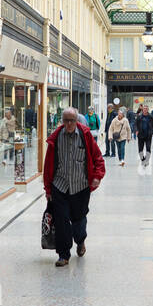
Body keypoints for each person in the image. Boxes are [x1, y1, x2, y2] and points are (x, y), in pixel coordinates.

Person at [43, 108, 106, 267]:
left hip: (80, 186)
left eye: (72, 120)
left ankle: (80, 241)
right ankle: (63, 255)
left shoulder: (85, 135)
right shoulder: (56, 137)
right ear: (62, 121)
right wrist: (48, 190)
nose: (69, 124)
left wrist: (97, 176)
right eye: (66, 120)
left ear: (77, 120)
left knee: (78, 220)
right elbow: (48, 165)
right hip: (60, 185)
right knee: (62, 221)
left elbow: (98, 158)